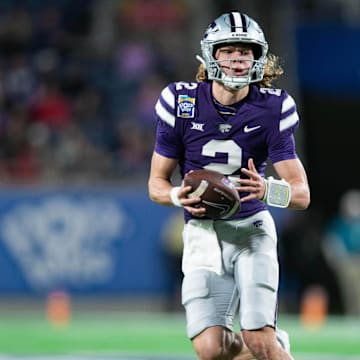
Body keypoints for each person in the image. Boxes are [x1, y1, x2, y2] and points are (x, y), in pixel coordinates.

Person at [148, 11, 310, 360]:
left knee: (259, 339)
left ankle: (271, 343)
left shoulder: (273, 107)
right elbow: (156, 184)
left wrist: (268, 190)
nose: (238, 59)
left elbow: (301, 194)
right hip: (202, 234)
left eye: (246, 50)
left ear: (259, 57)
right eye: (228, 50)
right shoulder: (181, 102)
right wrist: (179, 195)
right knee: (211, 349)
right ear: (210, 54)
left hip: (250, 230)